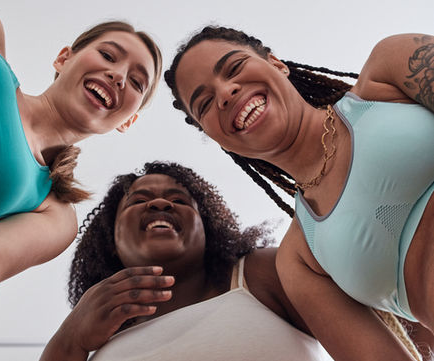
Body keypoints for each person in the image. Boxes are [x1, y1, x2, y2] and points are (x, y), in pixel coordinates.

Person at [164, 26, 434, 360]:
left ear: (277, 64)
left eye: (233, 68)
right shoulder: (299, 261)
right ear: (214, 136)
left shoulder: (386, 74)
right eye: (204, 103)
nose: (225, 93)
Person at [0, 0, 162, 336]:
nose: (119, 76)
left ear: (129, 121)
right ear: (64, 58)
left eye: (137, 82)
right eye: (108, 56)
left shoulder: (52, 213)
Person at [39, 161, 337, 361]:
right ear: (111, 242)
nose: (160, 203)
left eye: (179, 200)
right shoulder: (95, 343)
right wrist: (71, 338)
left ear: (208, 230)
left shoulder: (261, 274)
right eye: (139, 201)